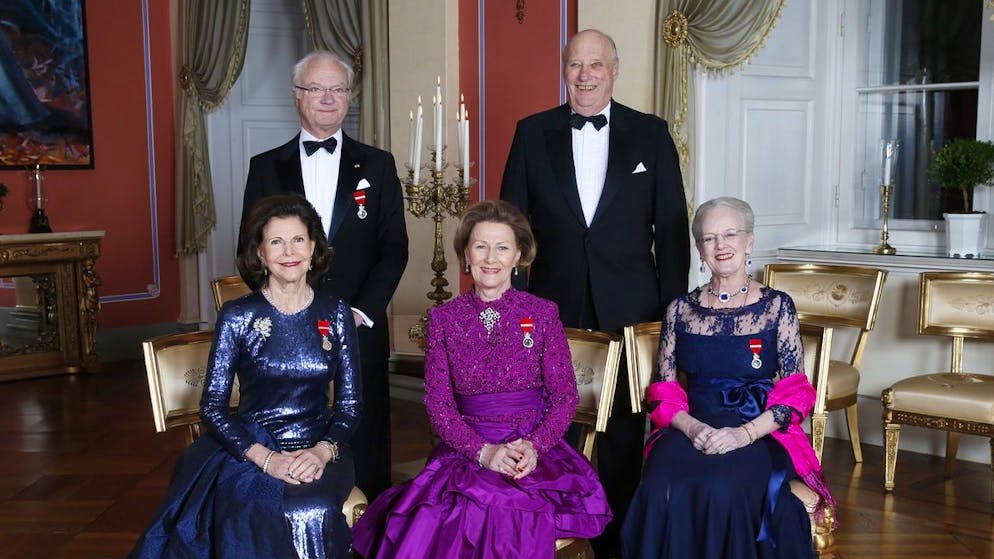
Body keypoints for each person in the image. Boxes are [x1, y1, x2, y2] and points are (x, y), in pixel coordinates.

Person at [500, 28, 690, 555]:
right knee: (550, 426)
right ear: (564, 70)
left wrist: (672, 317)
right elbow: (510, 229)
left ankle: (621, 539)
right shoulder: (531, 132)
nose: (584, 75)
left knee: (625, 434)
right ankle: (559, 530)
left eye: (595, 65)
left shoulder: (650, 133)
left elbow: (672, 231)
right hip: (550, 310)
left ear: (614, 69)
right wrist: (509, 307)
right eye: (575, 65)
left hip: (632, 309)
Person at [351, 200, 611, 559]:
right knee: (455, 513)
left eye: (502, 247)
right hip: (467, 450)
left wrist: (533, 447)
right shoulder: (444, 318)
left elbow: (565, 396)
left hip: (531, 451)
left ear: (519, 255)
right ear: (466, 255)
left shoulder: (542, 313)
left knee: (508, 511)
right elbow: (438, 404)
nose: (491, 258)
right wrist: (483, 452)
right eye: (481, 247)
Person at [129, 193, 362, 559]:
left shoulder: (335, 313)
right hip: (250, 448)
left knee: (311, 509)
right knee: (254, 507)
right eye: (276, 241)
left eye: (298, 239)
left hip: (320, 447)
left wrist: (320, 452)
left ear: (314, 247)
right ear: (260, 254)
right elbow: (214, 408)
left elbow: (349, 406)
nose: (289, 251)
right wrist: (267, 459)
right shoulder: (238, 315)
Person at [620, 197, 836, 559]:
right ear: (700, 249)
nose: (720, 246)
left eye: (730, 234)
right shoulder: (680, 310)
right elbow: (663, 393)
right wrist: (693, 430)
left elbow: (795, 395)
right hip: (693, 427)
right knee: (659, 485)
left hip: (757, 430)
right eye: (709, 238)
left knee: (723, 485)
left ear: (749, 241)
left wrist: (743, 434)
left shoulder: (777, 306)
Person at [240, 51, 408, 500]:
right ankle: (290, 515)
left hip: (357, 322)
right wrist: (283, 315)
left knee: (366, 424)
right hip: (284, 327)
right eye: (316, 88)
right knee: (290, 419)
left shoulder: (378, 164)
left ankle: (368, 521)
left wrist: (358, 313)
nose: (328, 98)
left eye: (337, 89)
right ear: (298, 97)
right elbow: (250, 250)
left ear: (348, 97)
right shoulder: (265, 167)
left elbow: (394, 250)